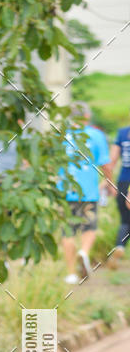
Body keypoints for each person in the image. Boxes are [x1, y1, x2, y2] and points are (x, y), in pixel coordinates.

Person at [59, 102, 110, 285]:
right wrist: (109, 182)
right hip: (88, 190)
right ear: (87, 116)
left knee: (68, 232)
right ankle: (84, 252)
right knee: (89, 227)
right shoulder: (96, 135)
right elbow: (105, 163)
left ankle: (72, 273)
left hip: (65, 191)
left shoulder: (61, 135)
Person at [106, 117, 130, 265]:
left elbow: (111, 162)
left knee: (125, 220)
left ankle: (119, 246)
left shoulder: (122, 133)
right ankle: (120, 247)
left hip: (123, 182)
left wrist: (108, 183)